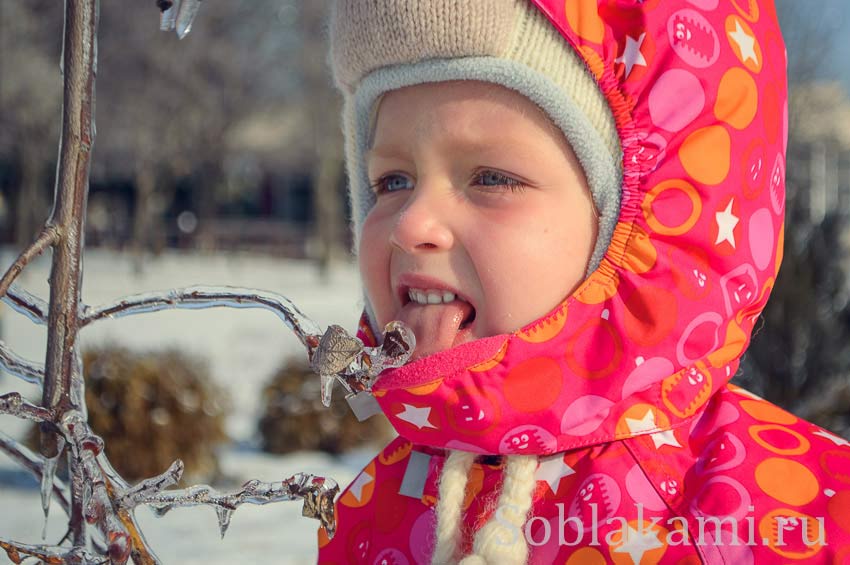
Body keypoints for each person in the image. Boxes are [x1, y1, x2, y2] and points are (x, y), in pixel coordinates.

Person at [318, 0, 850, 563]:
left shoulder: (793, 521)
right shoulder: (364, 514)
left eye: (491, 177)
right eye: (391, 180)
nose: (410, 225)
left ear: (641, 215)